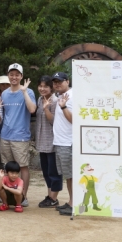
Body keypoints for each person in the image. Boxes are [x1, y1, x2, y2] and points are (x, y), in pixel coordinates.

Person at [0, 63, 36, 207]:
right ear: (8, 75)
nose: (14, 77)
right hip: (5, 135)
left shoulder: (29, 91)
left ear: (21, 76)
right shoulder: (5, 93)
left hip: (20, 136)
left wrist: (25, 92)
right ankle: (9, 197)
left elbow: (32, 109)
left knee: (23, 166)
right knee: (8, 167)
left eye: (17, 74)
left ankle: (23, 195)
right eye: (11, 74)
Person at [50, 72, 73, 216]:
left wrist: (64, 107)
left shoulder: (72, 96)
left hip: (68, 142)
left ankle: (74, 203)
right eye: (55, 82)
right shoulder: (62, 96)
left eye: (60, 81)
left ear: (67, 81)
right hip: (61, 141)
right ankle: (72, 201)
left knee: (71, 175)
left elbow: (74, 119)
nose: (57, 84)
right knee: (68, 175)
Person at [35, 75, 60, 208]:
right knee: (46, 171)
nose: (42, 89)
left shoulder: (55, 101)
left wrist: (46, 108)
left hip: (52, 141)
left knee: (53, 171)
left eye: (45, 86)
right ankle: (50, 196)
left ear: (51, 88)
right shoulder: (40, 99)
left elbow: (54, 121)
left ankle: (53, 197)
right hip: (41, 141)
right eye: (40, 86)